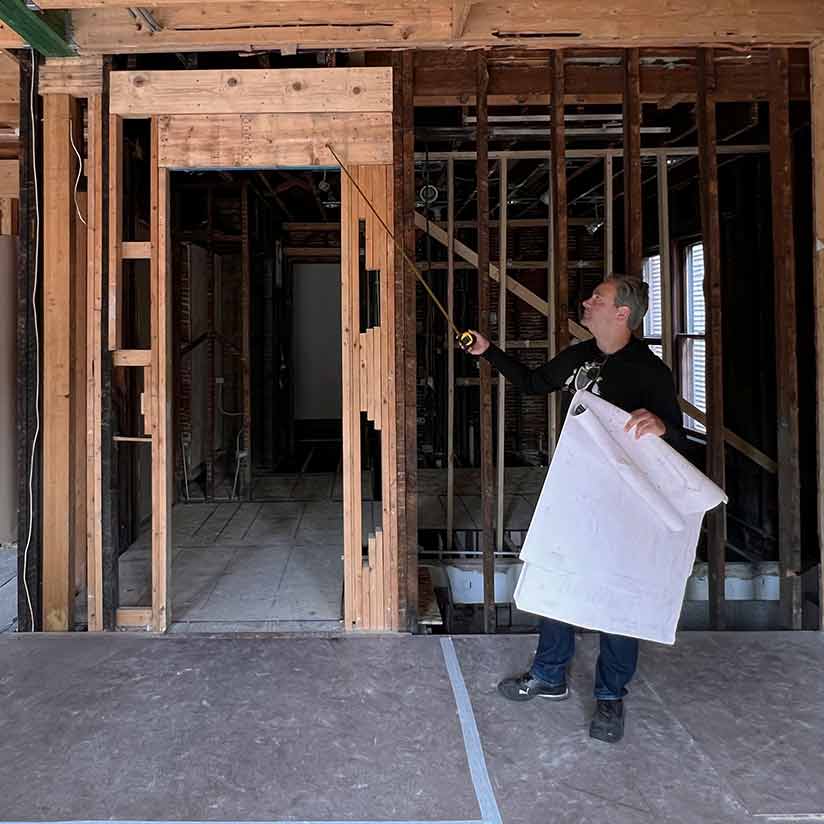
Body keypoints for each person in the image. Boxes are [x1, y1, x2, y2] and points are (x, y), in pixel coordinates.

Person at [465, 274, 686, 744]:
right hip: (576, 491)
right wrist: (488, 352)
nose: (586, 302)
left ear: (621, 313)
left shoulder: (650, 372)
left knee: (617, 593)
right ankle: (549, 674)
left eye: (597, 299)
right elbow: (532, 384)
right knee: (559, 576)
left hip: (625, 504)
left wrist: (662, 426)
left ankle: (610, 696)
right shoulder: (581, 356)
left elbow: (680, 440)